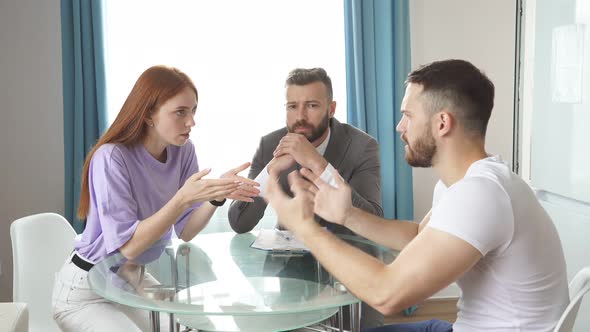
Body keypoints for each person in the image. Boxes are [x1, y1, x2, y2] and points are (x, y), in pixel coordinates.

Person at [265, 59, 570, 332]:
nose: (400, 126)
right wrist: (348, 215)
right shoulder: (467, 183)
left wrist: (306, 227)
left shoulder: (482, 194)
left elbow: (387, 295)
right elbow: (418, 236)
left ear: (442, 123)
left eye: (408, 115)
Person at [52, 65, 259, 332]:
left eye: (193, 110)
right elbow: (128, 247)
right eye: (180, 112)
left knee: (197, 328)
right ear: (149, 114)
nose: (191, 122)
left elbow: (186, 230)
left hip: (131, 279)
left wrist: (215, 197)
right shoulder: (111, 157)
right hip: (86, 290)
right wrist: (181, 199)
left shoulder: (183, 151)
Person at [227, 67, 384, 328]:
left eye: (311, 105)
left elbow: (373, 219)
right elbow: (239, 222)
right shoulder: (271, 143)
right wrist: (270, 171)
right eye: (292, 106)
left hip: (350, 266)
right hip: (291, 269)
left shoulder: (361, 146)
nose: (300, 116)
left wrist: (318, 162)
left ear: (331, 109)